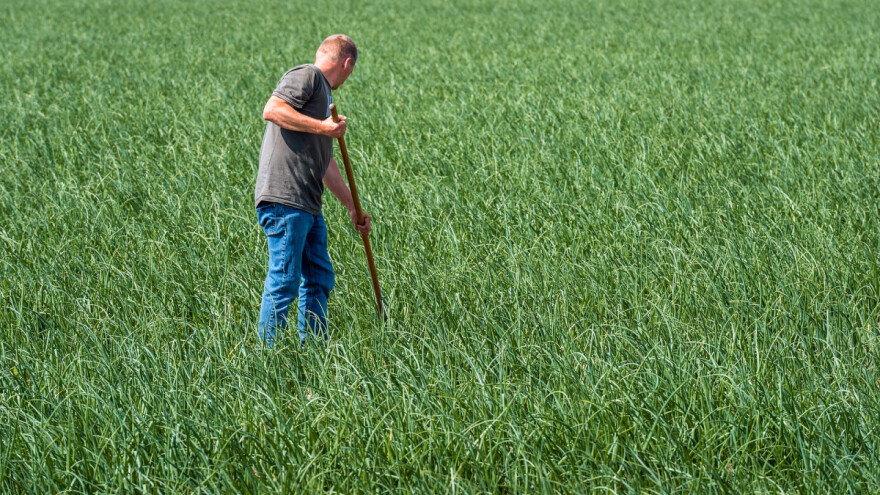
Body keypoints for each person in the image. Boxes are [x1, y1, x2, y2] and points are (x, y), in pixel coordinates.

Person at [254, 34, 371, 345]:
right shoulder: (307, 75)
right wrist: (323, 127)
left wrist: (351, 206)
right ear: (348, 64)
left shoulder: (325, 98)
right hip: (285, 200)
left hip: (308, 204)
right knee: (285, 280)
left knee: (319, 277)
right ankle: (268, 358)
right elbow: (273, 109)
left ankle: (314, 352)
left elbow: (325, 164)